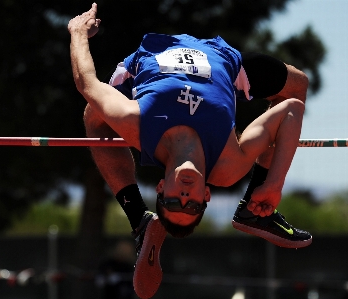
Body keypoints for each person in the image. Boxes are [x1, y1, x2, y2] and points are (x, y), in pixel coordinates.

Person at [68, 4, 311, 298]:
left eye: (173, 202)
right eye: (193, 206)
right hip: (223, 60)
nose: (184, 198)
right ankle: (253, 210)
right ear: (205, 196)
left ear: (161, 187)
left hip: (155, 53)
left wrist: (78, 32)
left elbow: (87, 83)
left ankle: (138, 217)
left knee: (93, 113)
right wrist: (273, 184)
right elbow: (291, 111)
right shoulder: (227, 165)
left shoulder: (138, 126)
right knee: (299, 85)